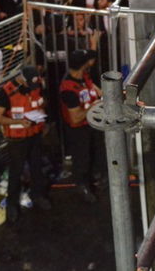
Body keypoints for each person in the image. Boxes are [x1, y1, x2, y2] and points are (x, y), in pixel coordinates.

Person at [0, 64, 50, 220]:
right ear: (21, 78)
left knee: (36, 167)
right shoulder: (7, 91)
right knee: (16, 171)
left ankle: (38, 195)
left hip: (35, 134)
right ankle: (12, 204)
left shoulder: (37, 85)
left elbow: (42, 102)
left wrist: (42, 119)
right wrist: (14, 121)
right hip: (17, 138)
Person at [57, 49, 102, 201]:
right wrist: (94, 106)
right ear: (83, 65)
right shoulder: (68, 89)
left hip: (92, 125)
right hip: (78, 130)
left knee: (95, 153)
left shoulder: (85, 77)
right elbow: (75, 118)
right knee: (82, 159)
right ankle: (82, 186)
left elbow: (98, 92)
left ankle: (94, 179)